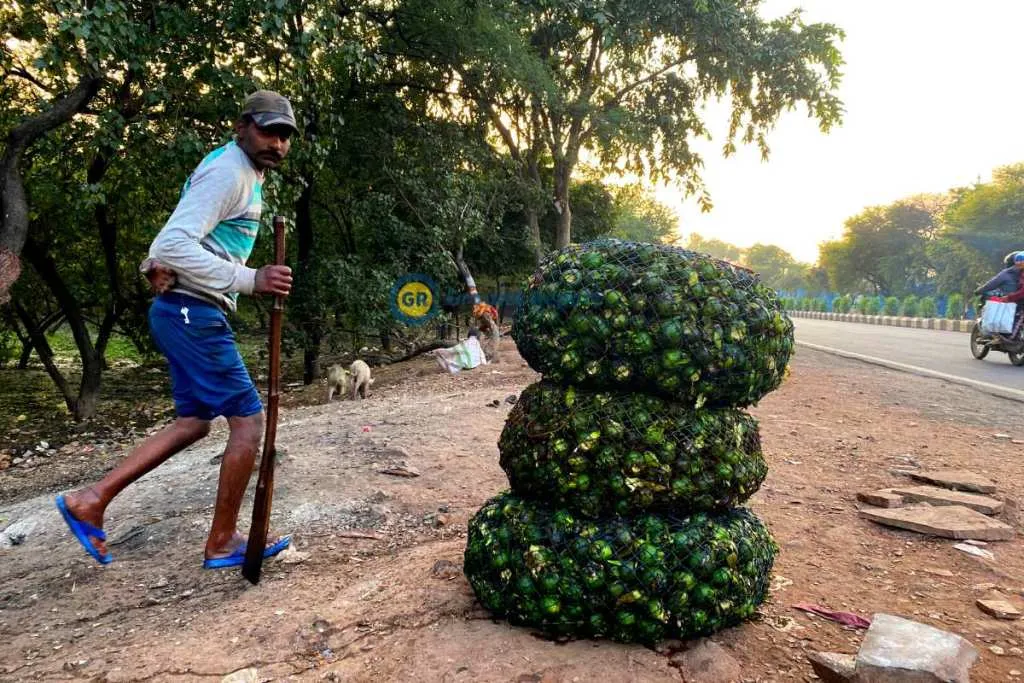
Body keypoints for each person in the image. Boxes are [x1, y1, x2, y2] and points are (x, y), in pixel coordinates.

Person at [55, 90, 298, 569]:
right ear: (242, 125)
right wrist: (249, 279)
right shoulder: (229, 171)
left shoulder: (241, 172)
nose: (277, 143)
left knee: (194, 422)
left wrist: (154, 262)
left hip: (184, 310)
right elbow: (174, 241)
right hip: (193, 312)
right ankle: (222, 541)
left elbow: (173, 239)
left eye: (285, 135)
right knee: (248, 422)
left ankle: (92, 499)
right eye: (269, 130)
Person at [988, 252, 1024, 340]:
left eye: (1021, 261)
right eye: (1017, 261)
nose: (1018, 263)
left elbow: (1022, 292)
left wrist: (1009, 298)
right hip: (1018, 300)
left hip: (1020, 302)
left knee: (1018, 317)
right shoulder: (1019, 274)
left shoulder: (1013, 274)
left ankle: (1009, 338)